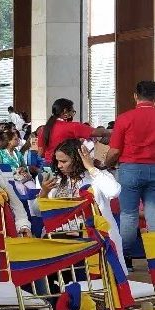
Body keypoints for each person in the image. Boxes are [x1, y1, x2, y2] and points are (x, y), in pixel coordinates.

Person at [39, 139, 125, 272]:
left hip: (99, 240)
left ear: (78, 160)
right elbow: (39, 210)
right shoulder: (59, 181)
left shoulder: (96, 176)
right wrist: (43, 193)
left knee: (106, 284)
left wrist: (91, 168)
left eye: (64, 161)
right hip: (68, 243)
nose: (60, 166)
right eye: (57, 161)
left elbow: (114, 191)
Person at [106, 81, 155, 263]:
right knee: (153, 213)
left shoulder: (125, 118)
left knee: (128, 214)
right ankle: (153, 258)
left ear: (136, 96)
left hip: (130, 169)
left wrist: (106, 164)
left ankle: (124, 257)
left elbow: (115, 150)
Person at [37, 98, 109, 164]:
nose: (73, 115)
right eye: (72, 112)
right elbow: (100, 132)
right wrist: (117, 130)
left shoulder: (43, 129)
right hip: (66, 165)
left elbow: (41, 153)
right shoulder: (72, 126)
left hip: (48, 166)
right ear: (65, 111)